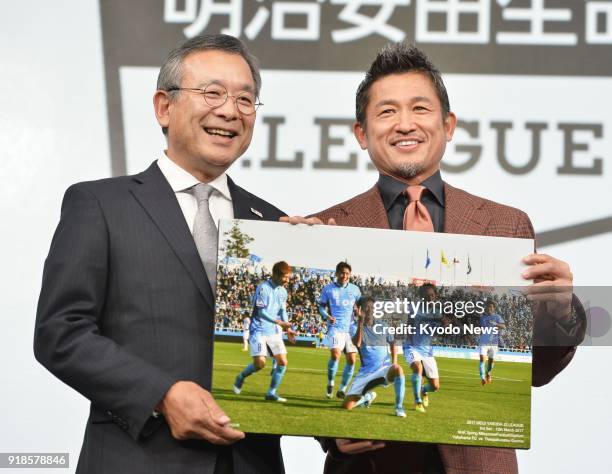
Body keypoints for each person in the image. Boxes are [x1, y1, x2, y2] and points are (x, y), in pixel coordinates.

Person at [284, 41, 584, 473]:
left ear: (448, 125)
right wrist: (328, 430)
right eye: (387, 111)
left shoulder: (506, 225)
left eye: (420, 109)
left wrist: (561, 311)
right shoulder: (323, 229)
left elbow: (535, 371)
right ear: (361, 134)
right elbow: (313, 362)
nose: (405, 124)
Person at [34, 34, 287, 474]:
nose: (230, 111)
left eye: (246, 100)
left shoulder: (276, 225)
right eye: (212, 93)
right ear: (163, 107)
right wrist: (161, 394)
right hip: (136, 458)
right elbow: (61, 332)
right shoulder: (100, 205)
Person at [233, 261, 296, 402]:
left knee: (283, 362)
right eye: (285, 277)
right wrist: (278, 322)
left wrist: (288, 328)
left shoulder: (283, 291)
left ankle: (271, 393)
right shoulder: (263, 288)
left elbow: (282, 311)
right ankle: (241, 377)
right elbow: (261, 312)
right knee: (260, 364)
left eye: (288, 277)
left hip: (272, 331)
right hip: (259, 329)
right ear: (275, 274)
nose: (287, 280)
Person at [343, 297, 406, 418]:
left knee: (398, 369)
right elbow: (358, 343)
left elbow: (393, 343)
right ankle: (367, 397)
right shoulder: (353, 327)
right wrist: (360, 322)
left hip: (383, 369)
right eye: (367, 307)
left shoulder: (383, 325)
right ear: (360, 309)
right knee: (347, 406)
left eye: (372, 307)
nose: (370, 310)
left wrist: (394, 362)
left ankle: (399, 407)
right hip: (366, 373)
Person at [318, 262, 362, 398]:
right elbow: (321, 307)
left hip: (351, 328)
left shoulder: (355, 290)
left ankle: (342, 388)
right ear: (337, 273)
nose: (345, 276)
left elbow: (361, 305)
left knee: (352, 360)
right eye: (342, 273)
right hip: (335, 327)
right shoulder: (328, 289)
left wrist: (358, 312)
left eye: (347, 273)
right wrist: (327, 316)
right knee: (336, 354)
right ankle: (330, 383)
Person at [405, 283, 447, 413]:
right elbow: (409, 327)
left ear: (435, 296)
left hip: (427, 350)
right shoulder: (414, 309)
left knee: (435, 386)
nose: (430, 298)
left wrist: (444, 327)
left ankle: (423, 390)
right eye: (426, 295)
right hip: (412, 346)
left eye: (432, 295)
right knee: (417, 368)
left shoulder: (438, 313)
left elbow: (437, 332)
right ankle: (418, 402)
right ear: (422, 297)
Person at [478, 300, 506, 386]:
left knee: (491, 361)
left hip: (493, 342)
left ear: (494, 308)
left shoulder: (497, 317)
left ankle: (488, 373)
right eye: (487, 307)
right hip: (483, 342)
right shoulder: (483, 317)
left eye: (491, 307)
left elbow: (504, 327)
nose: (489, 308)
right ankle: (482, 378)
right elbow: (480, 328)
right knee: (482, 359)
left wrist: (495, 324)